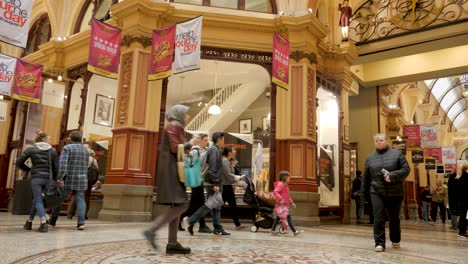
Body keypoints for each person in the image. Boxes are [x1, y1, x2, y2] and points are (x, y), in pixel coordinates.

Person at [143, 105, 191, 254]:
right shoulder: (174, 125)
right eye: (186, 114)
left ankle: (172, 243)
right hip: (172, 171)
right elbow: (176, 148)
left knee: (177, 204)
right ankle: (152, 229)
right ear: (179, 114)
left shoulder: (173, 126)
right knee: (182, 204)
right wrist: (192, 144)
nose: (188, 117)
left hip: (170, 170)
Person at [360, 133, 410, 252]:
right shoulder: (370, 158)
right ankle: (379, 243)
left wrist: (392, 176)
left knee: (393, 217)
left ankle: (395, 239)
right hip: (376, 190)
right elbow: (365, 177)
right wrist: (363, 193)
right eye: (376, 141)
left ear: (386, 141)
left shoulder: (397, 154)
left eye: (381, 140)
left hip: (395, 191)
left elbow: (406, 169)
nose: (379, 142)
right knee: (378, 216)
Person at [183, 132, 230, 236]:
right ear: (219, 139)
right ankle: (190, 220)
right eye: (223, 139)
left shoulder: (215, 149)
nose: (224, 141)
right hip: (213, 183)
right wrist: (216, 183)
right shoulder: (214, 150)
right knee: (210, 205)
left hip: (212, 182)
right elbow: (213, 167)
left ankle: (217, 227)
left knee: (214, 205)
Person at [17, 132, 59, 233]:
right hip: (48, 179)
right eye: (49, 138)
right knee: (37, 201)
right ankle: (29, 222)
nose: (50, 140)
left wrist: (27, 169)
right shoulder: (52, 150)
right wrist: (56, 179)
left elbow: (19, 161)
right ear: (43, 139)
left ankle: (43, 223)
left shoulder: (31, 149)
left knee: (38, 200)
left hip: (36, 178)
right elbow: (56, 167)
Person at [49, 130, 90, 230]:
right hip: (82, 179)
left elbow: (63, 165)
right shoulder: (86, 150)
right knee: (80, 200)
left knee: (59, 199)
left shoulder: (67, 148)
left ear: (70, 139)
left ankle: (52, 221)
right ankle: (81, 223)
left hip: (68, 179)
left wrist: (59, 178)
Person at [178, 133, 212, 234]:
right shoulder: (195, 151)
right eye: (205, 140)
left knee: (197, 204)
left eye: (207, 141)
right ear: (200, 140)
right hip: (196, 181)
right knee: (198, 205)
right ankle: (187, 221)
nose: (207, 143)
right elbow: (193, 165)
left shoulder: (201, 151)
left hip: (198, 181)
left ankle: (192, 223)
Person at [68, 149, 99, 220]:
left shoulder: (80, 158)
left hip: (78, 179)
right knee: (86, 198)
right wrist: (94, 181)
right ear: (92, 154)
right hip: (88, 181)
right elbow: (97, 171)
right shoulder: (94, 160)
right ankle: (83, 215)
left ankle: (70, 214)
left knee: (75, 196)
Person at [221, 145, 246, 230]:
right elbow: (228, 175)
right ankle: (215, 223)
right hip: (225, 187)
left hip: (228, 187)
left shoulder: (228, 161)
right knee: (220, 206)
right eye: (233, 150)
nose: (235, 151)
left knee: (232, 205)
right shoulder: (224, 161)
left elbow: (230, 173)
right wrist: (239, 177)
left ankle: (237, 224)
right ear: (229, 152)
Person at [271, 171, 302, 236]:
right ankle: (294, 231)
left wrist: (292, 202)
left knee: (278, 217)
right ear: (285, 178)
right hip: (281, 204)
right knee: (288, 217)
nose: (289, 179)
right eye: (289, 178)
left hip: (284, 204)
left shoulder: (285, 186)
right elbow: (275, 192)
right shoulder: (281, 185)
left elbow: (287, 196)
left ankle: (273, 230)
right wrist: (281, 199)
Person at [447, 162, 468, 238]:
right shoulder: (466, 176)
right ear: (466, 168)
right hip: (465, 200)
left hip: (455, 200)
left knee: (462, 216)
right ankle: (462, 231)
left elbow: (449, 189)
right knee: (464, 216)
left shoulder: (452, 176)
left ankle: (462, 231)